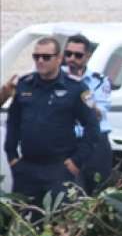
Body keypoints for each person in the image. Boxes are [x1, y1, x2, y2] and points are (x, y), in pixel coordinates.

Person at [4, 37, 98, 221]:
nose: (40, 61)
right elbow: (13, 122)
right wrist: (12, 156)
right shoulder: (24, 84)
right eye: (36, 56)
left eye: (46, 57)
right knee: (18, 224)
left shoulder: (76, 89)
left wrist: (76, 161)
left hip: (59, 169)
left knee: (58, 224)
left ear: (58, 58)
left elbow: (92, 127)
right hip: (27, 169)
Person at [63, 34, 113, 195]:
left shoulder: (99, 81)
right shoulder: (56, 79)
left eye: (77, 55)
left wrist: (80, 88)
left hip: (95, 143)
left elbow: (97, 113)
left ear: (88, 56)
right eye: (68, 54)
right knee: (70, 193)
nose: (71, 59)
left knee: (99, 192)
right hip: (68, 142)